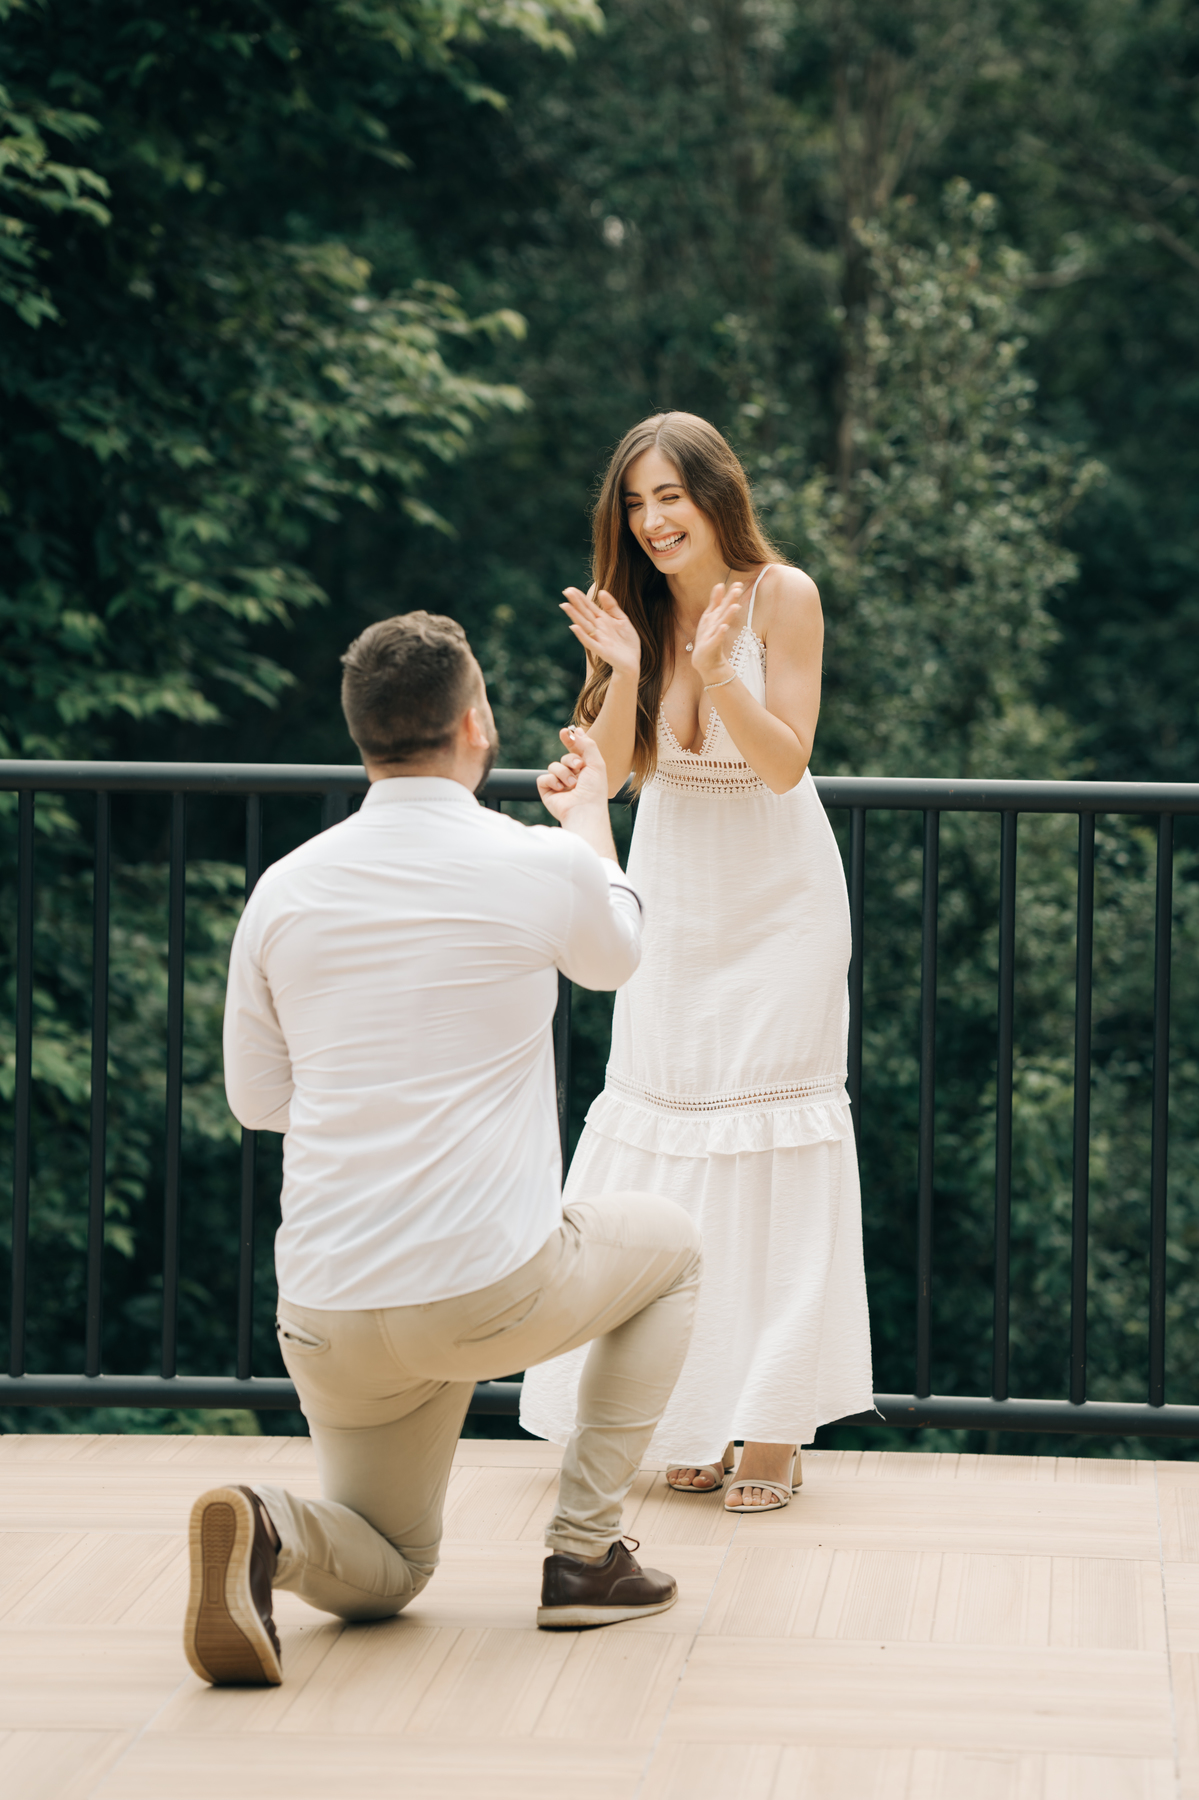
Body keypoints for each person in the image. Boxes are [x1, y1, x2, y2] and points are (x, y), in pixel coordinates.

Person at [183, 611, 703, 1687]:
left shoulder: (285, 889)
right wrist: (590, 826)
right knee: (675, 1251)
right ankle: (586, 1556)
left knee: (392, 1571)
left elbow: (254, 1100)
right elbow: (618, 956)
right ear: (477, 724)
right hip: (486, 1291)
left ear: (362, 737)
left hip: (326, 1307)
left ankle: (269, 1524)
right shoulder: (535, 863)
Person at [520, 413, 874, 1511]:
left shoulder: (784, 596)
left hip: (780, 906)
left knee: (770, 1148)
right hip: (674, 901)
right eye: (635, 501)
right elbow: (620, 774)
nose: (653, 520)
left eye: (670, 495)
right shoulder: (635, 610)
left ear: (716, 493)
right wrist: (623, 667)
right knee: (667, 1137)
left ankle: (768, 1428)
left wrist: (721, 670)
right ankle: (688, 1412)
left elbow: (783, 765)